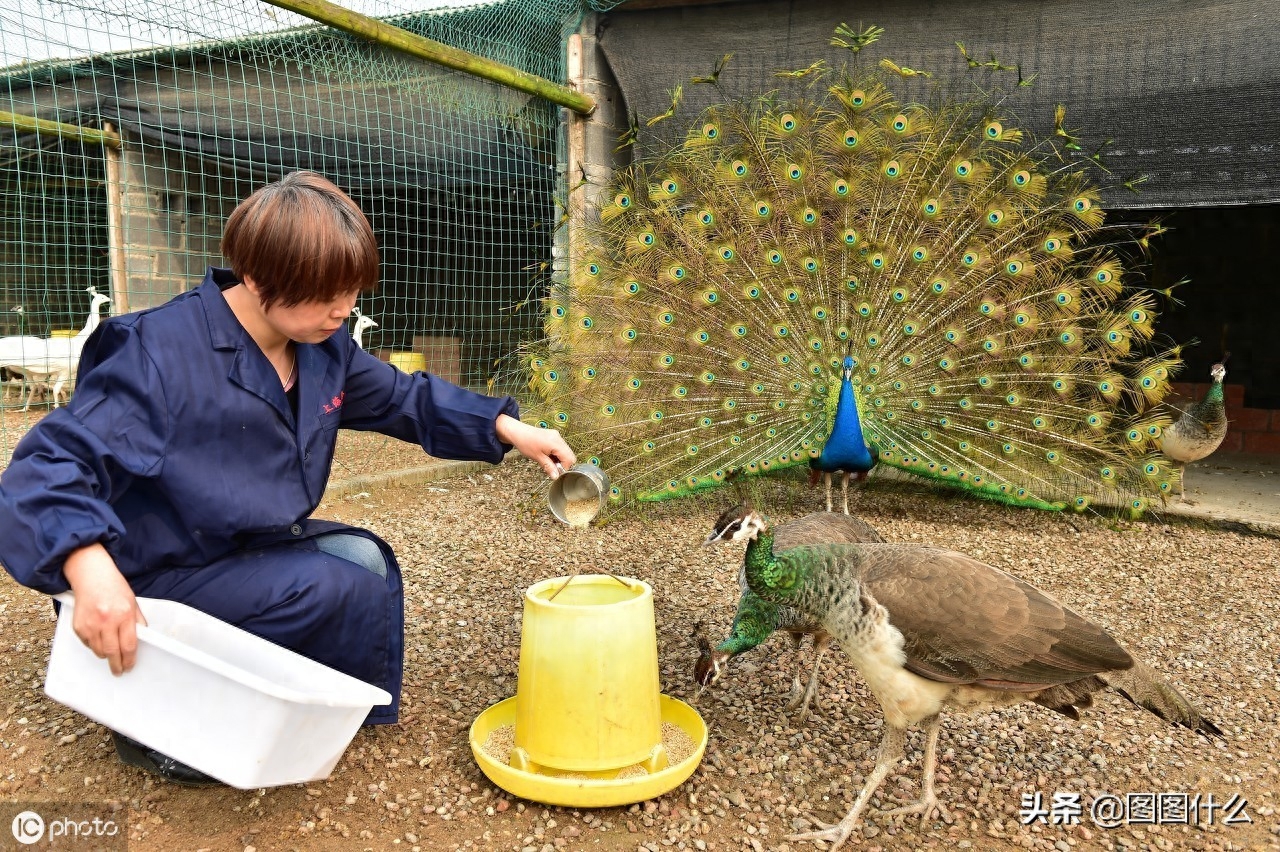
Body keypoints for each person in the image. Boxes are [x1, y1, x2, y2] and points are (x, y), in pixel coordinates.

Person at [0, 171, 576, 785]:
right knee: (325, 587)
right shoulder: (157, 354)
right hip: (150, 574)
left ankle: (311, 708)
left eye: (352, 290)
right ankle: (167, 725)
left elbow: (406, 398)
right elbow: (45, 466)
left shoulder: (322, 346)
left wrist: (508, 428)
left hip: (237, 550)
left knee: (361, 563)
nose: (344, 309)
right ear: (256, 276)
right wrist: (89, 571)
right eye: (326, 291)